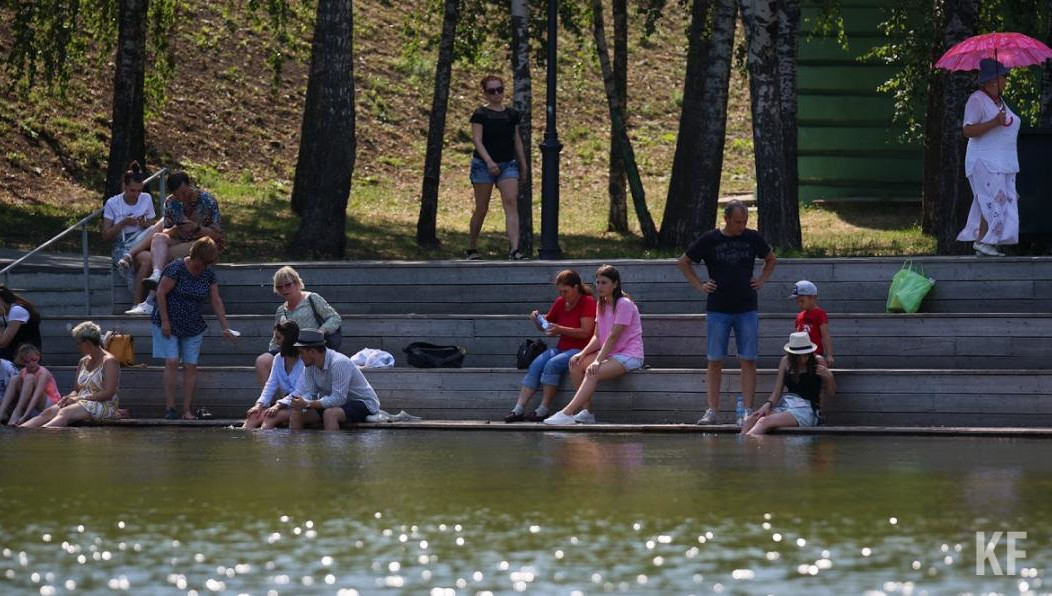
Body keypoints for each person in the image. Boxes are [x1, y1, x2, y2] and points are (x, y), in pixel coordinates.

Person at [677, 200, 776, 426]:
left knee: (748, 359)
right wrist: (700, 285)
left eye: (745, 222)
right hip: (718, 308)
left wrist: (761, 280)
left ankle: (747, 410)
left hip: (747, 307)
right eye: (738, 222)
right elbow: (683, 262)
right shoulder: (711, 239)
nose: (742, 226)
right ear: (727, 219)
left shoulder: (752, 238)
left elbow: (771, 259)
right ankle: (712, 410)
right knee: (715, 360)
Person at [544, 265, 644, 425]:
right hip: (610, 354)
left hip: (629, 355)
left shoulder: (624, 303)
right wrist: (582, 354)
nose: (599, 286)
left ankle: (566, 413)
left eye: (604, 282)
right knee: (575, 364)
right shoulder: (601, 303)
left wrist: (597, 361)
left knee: (593, 372)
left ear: (615, 284)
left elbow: (613, 336)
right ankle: (587, 412)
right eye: (597, 282)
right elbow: (598, 337)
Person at [151, 237, 237, 420]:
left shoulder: (208, 273)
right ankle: (170, 408)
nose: (203, 267)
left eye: (207, 264)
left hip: (193, 325)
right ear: (194, 255)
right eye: (201, 263)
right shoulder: (176, 268)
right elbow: (160, 293)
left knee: (191, 366)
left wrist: (225, 327)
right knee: (172, 361)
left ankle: (187, 410)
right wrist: (166, 321)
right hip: (169, 322)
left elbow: (216, 300)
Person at [505, 270, 597, 423]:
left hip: (581, 349)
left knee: (552, 364)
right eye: (560, 291)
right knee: (536, 364)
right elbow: (548, 326)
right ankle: (518, 408)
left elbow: (586, 333)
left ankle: (543, 409)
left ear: (576, 287)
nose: (563, 295)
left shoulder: (587, 302)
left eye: (565, 291)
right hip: (562, 347)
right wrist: (538, 320)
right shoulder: (561, 302)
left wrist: (560, 329)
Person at [126, 171, 223, 315]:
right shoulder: (171, 202)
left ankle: (150, 301)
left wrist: (196, 227)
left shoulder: (208, 201)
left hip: (203, 243)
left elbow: (217, 234)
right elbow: (166, 231)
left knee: (164, 256)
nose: (182, 198)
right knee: (158, 237)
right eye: (178, 195)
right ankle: (157, 275)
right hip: (181, 239)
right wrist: (175, 230)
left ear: (189, 185)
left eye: (184, 192)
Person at [957, 58, 1020, 257]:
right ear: (994, 80)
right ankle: (985, 242)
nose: (1006, 80)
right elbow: (967, 130)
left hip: (1002, 162)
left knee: (999, 200)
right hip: (983, 162)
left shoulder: (999, 101)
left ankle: (984, 243)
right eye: (1004, 76)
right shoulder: (976, 99)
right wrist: (994, 122)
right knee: (992, 199)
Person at [265, 329, 380, 431]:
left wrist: (307, 404)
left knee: (330, 414)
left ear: (312, 352)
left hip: (363, 402)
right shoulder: (309, 366)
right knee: (296, 413)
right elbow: (311, 393)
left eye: (301, 352)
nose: (299, 356)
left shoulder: (339, 363)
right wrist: (296, 402)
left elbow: (338, 399)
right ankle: (297, 452)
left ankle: (332, 453)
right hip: (334, 403)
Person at [467, 74, 529, 261]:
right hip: (483, 165)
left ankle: (514, 249)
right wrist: (489, 162)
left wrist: (523, 164)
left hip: (508, 163)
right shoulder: (480, 114)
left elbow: (516, 141)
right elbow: (477, 140)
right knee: (481, 208)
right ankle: (472, 247)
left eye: (499, 89)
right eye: (491, 91)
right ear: (485, 93)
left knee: (511, 203)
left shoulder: (511, 115)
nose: (496, 94)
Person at [254, 266, 342, 388]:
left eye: (287, 285)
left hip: (309, 348)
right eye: (280, 287)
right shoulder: (281, 311)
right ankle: (269, 403)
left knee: (298, 362)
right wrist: (273, 354)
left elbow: (334, 318)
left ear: (296, 283)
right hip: (288, 349)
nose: (284, 289)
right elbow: (276, 338)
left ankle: (291, 402)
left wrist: (321, 331)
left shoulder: (312, 298)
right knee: (262, 361)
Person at [21, 322, 120, 428]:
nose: (77, 347)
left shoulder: (109, 361)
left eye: (78, 343)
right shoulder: (83, 361)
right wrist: (68, 397)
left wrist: (77, 399)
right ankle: (21, 432)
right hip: (81, 401)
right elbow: (76, 390)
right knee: (48, 412)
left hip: (103, 404)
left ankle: (38, 437)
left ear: (87, 343)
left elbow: (108, 393)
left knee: (65, 413)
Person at [741, 331, 836, 435]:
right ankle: (742, 448)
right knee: (751, 420)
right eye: (799, 356)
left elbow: (831, 393)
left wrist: (829, 377)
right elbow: (776, 393)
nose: (803, 359)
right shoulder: (785, 362)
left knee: (764, 421)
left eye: (806, 355)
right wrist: (766, 405)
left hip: (807, 409)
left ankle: (746, 446)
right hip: (787, 405)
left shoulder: (818, 361)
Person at [103, 161, 157, 305]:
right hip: (123, 242)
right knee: (144, 262)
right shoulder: (112, 203)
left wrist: (144, 222)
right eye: (133, 191)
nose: (136, 195)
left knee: (149, 256)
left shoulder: (146, 198)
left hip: (142, 240)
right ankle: (138, 303)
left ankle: (138, 304)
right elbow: (106, 235)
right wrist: (123, 223)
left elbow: (152, 223)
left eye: (139, 191)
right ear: (124, 187)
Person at [244, 321, 304, 430]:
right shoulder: (278, 359)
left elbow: (300, 391)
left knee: (270, 418)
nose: (276, 342)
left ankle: (269, 445)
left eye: (278, 338)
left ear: (288, 340)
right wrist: (259, 405)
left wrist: (278, 405)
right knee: (253, 416)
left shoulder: (304, 361)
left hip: (304, 407)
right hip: (285, 406)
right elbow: (270, 384)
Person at [0, 344, 61, 426]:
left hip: (49, 405)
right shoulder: (23, 371)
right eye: (27, 361)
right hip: (30, 405)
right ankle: (1, 413)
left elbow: (36, 396)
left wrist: (25, 416)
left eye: (34, 359)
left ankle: (17, 413)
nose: (31, 363)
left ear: (38, 357)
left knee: (29, 377)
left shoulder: (43, 373)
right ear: (22, 361)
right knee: (15, 379)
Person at [791, 280, 834, 366]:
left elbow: (825, 335)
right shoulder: (799, 316)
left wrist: (829, 355)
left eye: (802, 301)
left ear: (813, 297)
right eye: (797, 301)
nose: (799, 304)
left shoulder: (819, 314)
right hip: (800, 354)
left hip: (815, 353)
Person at [0, 285, 42, 362]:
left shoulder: (17, 310)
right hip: (14, 353)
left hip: (26, 356)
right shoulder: (8, 313)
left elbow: (3, 342)